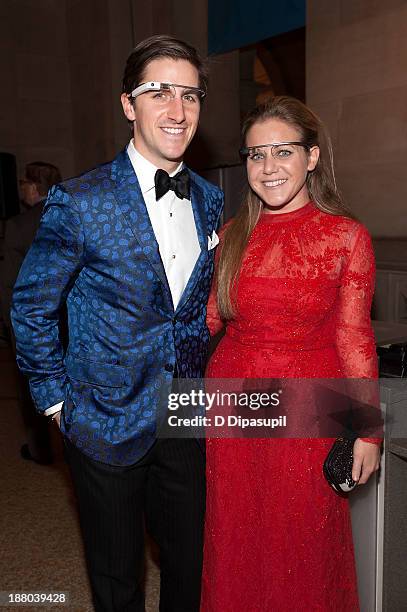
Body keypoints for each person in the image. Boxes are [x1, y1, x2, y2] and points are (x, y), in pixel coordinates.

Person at [11, 35, 223, 612]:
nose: (177, 110)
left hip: (186, 413)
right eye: (159, 92)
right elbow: (31, 306)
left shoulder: (209, 200)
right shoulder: (79, 201)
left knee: (190, 562)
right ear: (129, 104)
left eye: (190, 95)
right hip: (101, 416)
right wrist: (57, 402)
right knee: (115, 575)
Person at [200, 96, 381, 611]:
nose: (269, 166)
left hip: (309, 406)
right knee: (236, 531)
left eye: (283, 151)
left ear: (312, 157)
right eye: (256, 154)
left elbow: (353, 337)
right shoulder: (232, 236)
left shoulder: (346, 237)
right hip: (231, 400)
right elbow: (208, 321)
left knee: (302, 536)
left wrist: (367, 431)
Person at [1, 161, 62, 464]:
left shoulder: (17, 226)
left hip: (32, 323)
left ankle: (41, 450)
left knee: (31, 388)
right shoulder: (73, 217)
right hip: (70, 319)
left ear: (35, 187)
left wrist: (9, 329)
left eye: (24, 182)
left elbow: (9, 286)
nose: (21, 187)